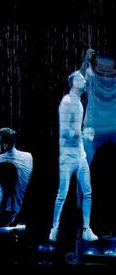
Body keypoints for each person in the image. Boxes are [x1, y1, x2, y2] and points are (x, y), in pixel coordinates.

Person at [49, 71, 99, 242]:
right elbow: (67, 132)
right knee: (62, 194)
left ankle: (86, 228)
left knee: (87, 192)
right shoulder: (67, 102)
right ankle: (54, 229)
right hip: (67, 158)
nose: (85, 81)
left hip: (80, 156)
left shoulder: (78, 103)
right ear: (74, 82)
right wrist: (85, 134)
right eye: (81, 79)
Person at [80, 49, 116, 166]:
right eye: (102, 66)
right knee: (82, 164)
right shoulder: (92, 79)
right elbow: (77, 81)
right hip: (93, 130)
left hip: (112, 128)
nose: (105, 69)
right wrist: (86, 61)